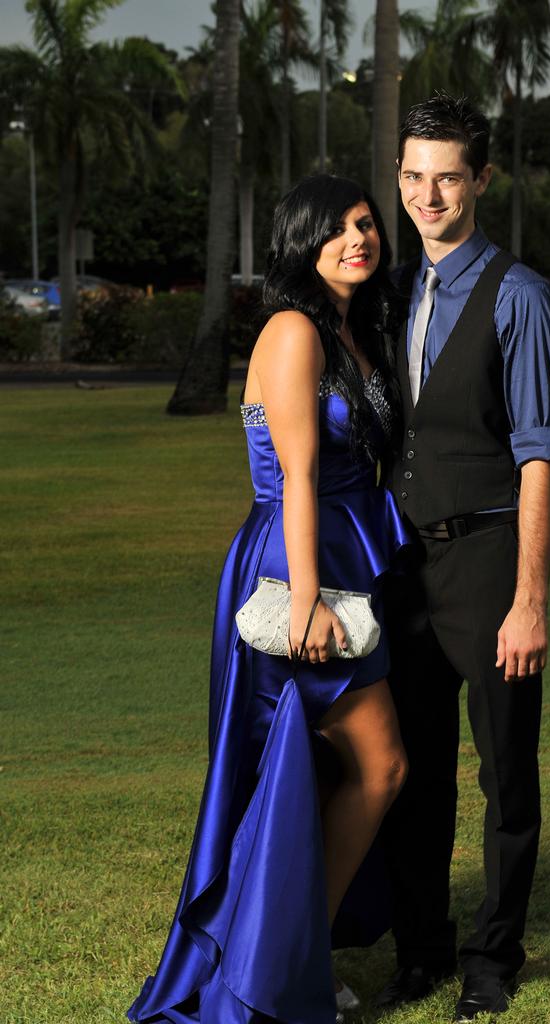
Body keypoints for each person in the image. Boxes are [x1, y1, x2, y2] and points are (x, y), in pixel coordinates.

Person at [127, 175, 411, 1024]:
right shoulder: (293, 330)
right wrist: (306, 602)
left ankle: (290, 958)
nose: (357, 239)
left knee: (310, 775)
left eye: (365, 224)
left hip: (344, 561)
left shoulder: (354, 332)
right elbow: (295, 477)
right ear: (299, 242)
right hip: (296, 570)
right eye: (336, 230)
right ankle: (284, 966)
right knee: (376, 762)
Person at [377, 95, 550, 1021]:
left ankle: (491, 958)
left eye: (447, 175)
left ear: (481, 179)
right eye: (413, 175)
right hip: (403, 570)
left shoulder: (519, 296)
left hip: (489, 562)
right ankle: (420, 951)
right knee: (414, 767)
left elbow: (539, 451)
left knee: (505, 775)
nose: (427, 194)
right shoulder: (394, 291)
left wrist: (529, 598)